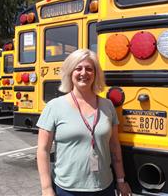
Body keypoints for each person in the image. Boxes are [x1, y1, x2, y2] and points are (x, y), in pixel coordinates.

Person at [36, 49, 132, 196]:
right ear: (70, 72)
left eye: (89, 69)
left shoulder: (107, 105)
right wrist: (46, 188)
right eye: (78, 68)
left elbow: (114, 147)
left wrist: (120, 180)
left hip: (104, 187)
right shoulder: (54, 106)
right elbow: (43, 150)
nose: (83, 73)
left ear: (95, 74)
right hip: (67, 189)